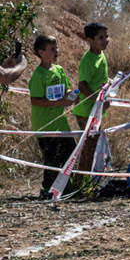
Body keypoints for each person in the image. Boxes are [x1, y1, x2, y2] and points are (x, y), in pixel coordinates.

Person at [28, 34, 75, 198]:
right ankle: (47, 190)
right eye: (52, 49)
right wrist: (60, 102)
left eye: (57, 48)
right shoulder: (38, 75)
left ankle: (66, 187)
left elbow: (66, 89)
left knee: (70, 152)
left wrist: (71, 96)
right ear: (41, 52)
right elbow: (35, 100)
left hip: (61, 123)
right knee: (52, 159)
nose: (56, 51)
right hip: (45, 125)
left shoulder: (59, 70)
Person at [73, 22, 111, 173]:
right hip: (86, 111)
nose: (105, 40)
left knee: (94, 146)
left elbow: (99, 79)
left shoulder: (101, 55)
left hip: (96, 110)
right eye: (101, 37)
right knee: (88, 148)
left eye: (106, 36)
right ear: (90, 40)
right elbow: (82, 86)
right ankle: (82, 179)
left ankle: (91, 177)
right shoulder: (88, 60)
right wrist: (99, 100)